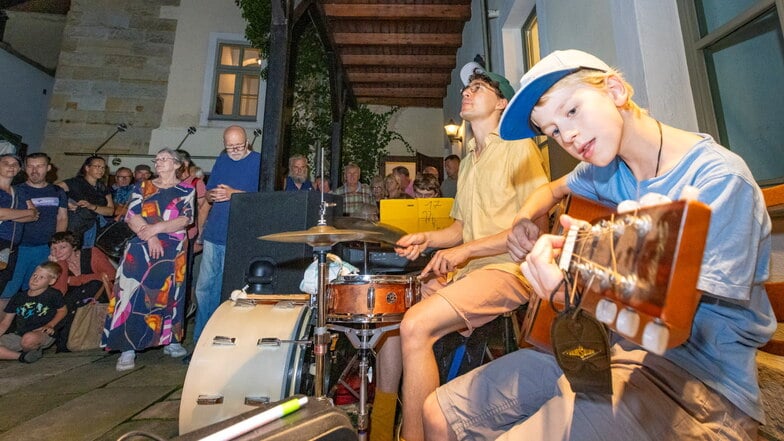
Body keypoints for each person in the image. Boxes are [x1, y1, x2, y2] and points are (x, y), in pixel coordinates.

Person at [423, 49, 776, 441]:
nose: (567, 137)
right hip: (609, 354)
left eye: (571, 111)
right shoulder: (605, 169)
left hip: (698, 384)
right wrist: (525, 221)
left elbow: (668, 326)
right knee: (438, 411)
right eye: (553, 131)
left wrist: (570, 283)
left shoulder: (719, 180)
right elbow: (549, 189)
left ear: (615, 89)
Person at [383, 63, 550, 441]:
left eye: (477, 87)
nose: (466, 92)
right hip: (473, 272)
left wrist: (464, 252)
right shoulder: (470, 158)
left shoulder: (519, 147)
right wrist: (425, 239)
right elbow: (460, 228)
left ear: (502, 102)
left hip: (510, 270)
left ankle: (414, 436)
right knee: (398, 321)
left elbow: (534, 229)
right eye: (466, 88)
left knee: (416, 325)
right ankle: (398, 419)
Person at [102, 148, 194, 371]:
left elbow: (185, 218)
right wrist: (150, 235)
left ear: (176, 164)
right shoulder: (142, 187)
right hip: (142, 247)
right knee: (134, 295)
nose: (159, 162)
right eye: (157, 159)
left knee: (170, 295)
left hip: (173, 250)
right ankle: (127, 348)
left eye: (164, 159)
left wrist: (158, 229)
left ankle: (170, 340)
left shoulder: (185, 189)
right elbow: (132, 216)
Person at [192, 126, 261, 348]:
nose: (234, 150)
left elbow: (265, 199)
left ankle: (226, 338)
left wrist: (234, 194)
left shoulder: (259, 161)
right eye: (229, 146)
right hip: (215, 232)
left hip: (240, 235)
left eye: (238, 146)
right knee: (204, 289)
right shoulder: (222, 161)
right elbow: (210, 195)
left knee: (232, 290)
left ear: (247, 141)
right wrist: (212, 195)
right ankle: (201, 340)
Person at [1, 153, 68, 307]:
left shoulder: (58, 191)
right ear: (24, 168)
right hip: (17, 248)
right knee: (8, 289)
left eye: (40, 166)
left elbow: (62, 218)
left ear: (48, 168)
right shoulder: (16, 190)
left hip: (44, 248)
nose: (34, 170)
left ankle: (20, 326)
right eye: (30, 166)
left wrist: (56, 247)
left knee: (34, 290)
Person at [49, 231, 115, 352]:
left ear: (74, 246)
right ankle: (66, 340)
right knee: (67, 299)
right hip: (77, 302)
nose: (57, 252)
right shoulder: (59, 263)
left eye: (63, 247)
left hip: (102, 295)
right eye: (54, 249)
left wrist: (75, 280)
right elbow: (61, 291)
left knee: (93, 285)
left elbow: (110, 275)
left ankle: (59, 339)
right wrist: (60, 265)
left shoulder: (92, 253)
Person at [0, 261, 66, 363]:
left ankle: (30, 350)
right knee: (23, 339)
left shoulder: (53, 294)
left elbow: (62, 310)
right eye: (34, 275)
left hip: (41, 333)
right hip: (19, 335)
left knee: (28, 339)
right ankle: (22, 356)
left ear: (52, 281)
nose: (35, 279)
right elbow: (5, 323)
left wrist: (50, 325)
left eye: (41, 277)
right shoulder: (19, 297)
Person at [0, 154, 39, 302]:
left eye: (15, 164)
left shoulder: (20, 192)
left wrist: (9, 214)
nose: (11, 166)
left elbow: (34, 215)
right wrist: (25, 213)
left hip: (11, 246)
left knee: (2, 284)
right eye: (6, 163)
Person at [56, 156, 115, 248]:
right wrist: (66, 203)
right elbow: (52, 191)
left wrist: (92, 207)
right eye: (97, 166)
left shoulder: (103, 187)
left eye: (103, 167)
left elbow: (110, 211)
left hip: (93, 227)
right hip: (75, 225)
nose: (101, 170)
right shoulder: (75, 182)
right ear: (87, 168)